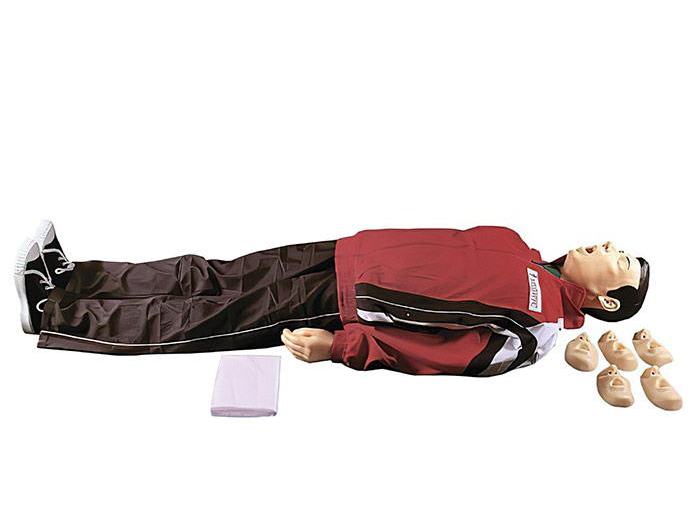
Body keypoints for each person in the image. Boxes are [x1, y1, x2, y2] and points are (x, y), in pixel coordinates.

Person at [14, 221, 649, 376]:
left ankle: (53, 313)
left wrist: (343, 346)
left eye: (617, 260)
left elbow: (437, 354)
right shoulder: (517, 244)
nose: (605, 245)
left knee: (203, 318)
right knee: (208, 275)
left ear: (605, 304)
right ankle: (75, 278)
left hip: (341, 304)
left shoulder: (535, 331)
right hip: (341, 253)